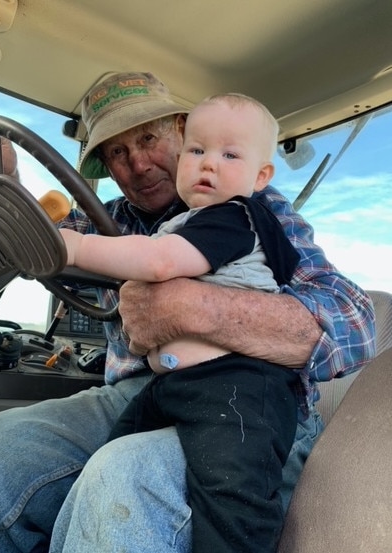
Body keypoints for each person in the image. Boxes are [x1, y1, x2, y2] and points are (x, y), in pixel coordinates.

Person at [0, 72, 375, 553]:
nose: (139, 163)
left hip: (245, 395)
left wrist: (199, 308)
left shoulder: (249, 207)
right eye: (117, 153)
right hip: (140, 390)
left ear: (181, 132)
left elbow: (355, 323)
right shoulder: (113, 218)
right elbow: (42, 243)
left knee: (123, 479)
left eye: (148, 138)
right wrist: (5, 170)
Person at [60, 92, 301, 553]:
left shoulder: (237, 215)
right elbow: (32, 230)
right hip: (173, 385)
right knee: (109, 449)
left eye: (229, 155)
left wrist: (72, 247)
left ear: (260, 176)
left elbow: (157, 260)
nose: (209, 165)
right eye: (199, 151)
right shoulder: (138, 217)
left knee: (232, 506)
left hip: (237, 386)